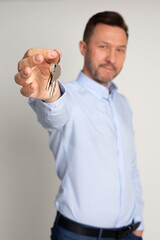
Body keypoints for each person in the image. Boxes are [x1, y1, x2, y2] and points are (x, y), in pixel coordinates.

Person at [15, 11, 144, 240]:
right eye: (103, 46)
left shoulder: (123, 104)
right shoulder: (68, 95)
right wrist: (49, 94)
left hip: (129, 235)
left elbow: (130, 167)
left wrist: (138, 222)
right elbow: (55, 114)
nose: (112, 58)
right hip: (76, 235)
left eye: (120, 49)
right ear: (83, 47)